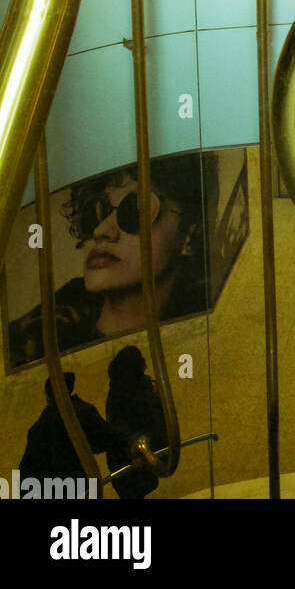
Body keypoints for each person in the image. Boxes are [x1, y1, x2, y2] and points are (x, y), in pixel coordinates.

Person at [8, 156, 214, 367]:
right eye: (96, 213)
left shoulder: (207, 345)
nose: (101, 230)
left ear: (189, 237)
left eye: (136, 210)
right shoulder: (30, 347)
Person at [20, 373, 123, 487]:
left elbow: (29, 467)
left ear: (47, 395)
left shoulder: (41, 426)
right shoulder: (83, 412)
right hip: (79, 483)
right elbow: (107, 439)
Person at [105, 347, 166, 499]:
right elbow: (122, 428)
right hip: (132, 457)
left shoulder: (121, 391)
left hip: (134, 456)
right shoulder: (131, 391)